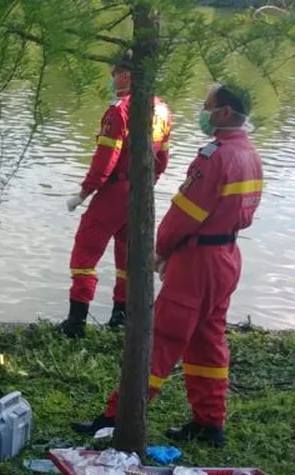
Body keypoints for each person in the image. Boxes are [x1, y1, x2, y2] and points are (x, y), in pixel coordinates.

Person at [73, 83, 264, 446]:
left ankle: (116, 418)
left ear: (225, 112)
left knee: (160, 339)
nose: (203, 112)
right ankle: (209, 423)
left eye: (207, 106)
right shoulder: (249, 154)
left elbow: (184, 214)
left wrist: (160, 249)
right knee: (208, 342)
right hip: (226, 256)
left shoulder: (215, 157)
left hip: (197, 262)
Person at [58, 51, 174, 338]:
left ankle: (76, 322)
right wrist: (147, 185)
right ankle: (120, 316)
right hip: (140, 191)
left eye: (114, 74)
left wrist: (83, 193)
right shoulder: (162, 110)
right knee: (127, 255)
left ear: (126, 75)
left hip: (115, 191)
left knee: (85, 251)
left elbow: (105, 160)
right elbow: (162, 159)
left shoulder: (120, 110)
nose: (112, 79)